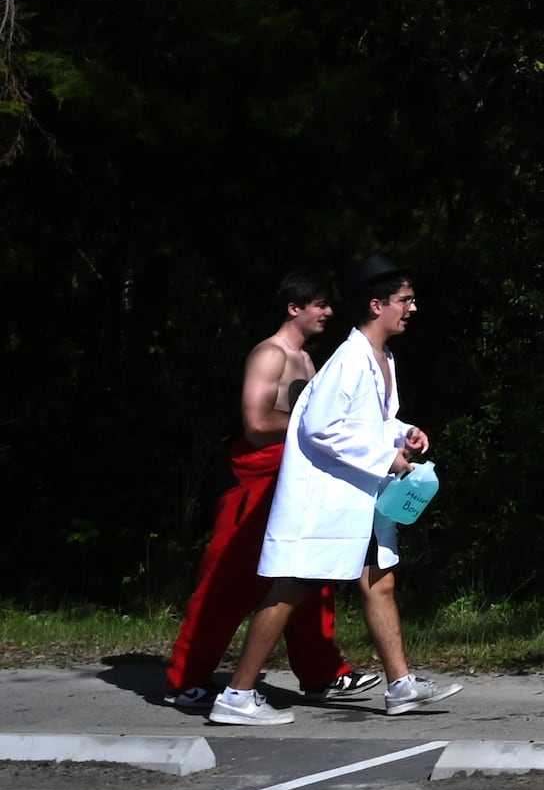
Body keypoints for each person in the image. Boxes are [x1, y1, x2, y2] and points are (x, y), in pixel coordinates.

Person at [220, 257, 451, 724]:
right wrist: (384, 457)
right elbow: (320, 427)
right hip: (325, 502)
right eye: (405, 300)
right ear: (376, 304)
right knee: (289, 589)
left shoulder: (382, 358)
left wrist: (404, 433)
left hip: (359, 500)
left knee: (380, 581)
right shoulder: (348, 360)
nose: (412, 308)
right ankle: (237, 696)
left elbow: (372, 422)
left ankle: (401, 685)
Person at [167, 273, 375, 715]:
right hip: (255, 483)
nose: (328, 312)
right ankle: (188, 679)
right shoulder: (270, 354)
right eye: (319, 304)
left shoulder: (306, 359)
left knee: (308, 575)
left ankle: (323, 674)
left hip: (294, 478)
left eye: (328, 305)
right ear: (293, 309)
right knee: (227, 581)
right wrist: (312, 418)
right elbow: (257, 425)